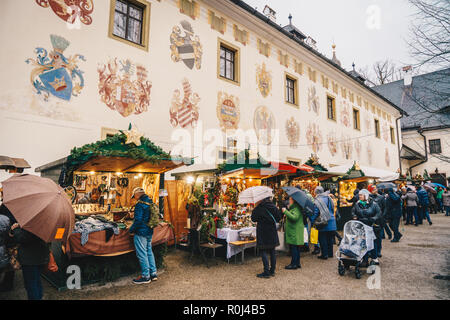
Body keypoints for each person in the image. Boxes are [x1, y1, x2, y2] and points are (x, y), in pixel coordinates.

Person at [9, 222, 49, 300]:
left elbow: (22, 238)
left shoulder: (33, 223)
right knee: (36, 280)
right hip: (41, 256)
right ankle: (39, 297)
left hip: (30, 259)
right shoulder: (45, 222)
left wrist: (16, 229)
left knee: (31, 284)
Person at [129, 187, 158, 284]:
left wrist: (131, 230)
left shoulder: (140, 204)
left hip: (141, 232)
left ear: (137, 195)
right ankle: (153, 273)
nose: (135, 198)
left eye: (135, 197)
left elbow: (138, 220)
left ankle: (146, 276)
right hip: (149, 231)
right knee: (149, 251)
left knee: (142, 254)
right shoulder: (150, 202)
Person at [251, 196, 282, 278]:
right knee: (272, 251)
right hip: (272, 230)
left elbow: (253, 219)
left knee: (263, 250)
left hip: (262, 231)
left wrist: (255, 207)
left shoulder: (259, 208)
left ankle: (266, 272)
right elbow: (279, 218)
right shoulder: (273, 206)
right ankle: (272, 271)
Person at [352, 189, 382, 265]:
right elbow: (353, 211)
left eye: (361, 195)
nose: (359, 197)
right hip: (361, 225)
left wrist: (374, 218)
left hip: (370, 225)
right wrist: (354, 216)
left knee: (372, 242)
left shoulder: (374, 204)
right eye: (359, 195)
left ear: (366, 195)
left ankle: (374, 258)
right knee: (363, 242)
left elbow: (379, 213)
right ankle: (365, 259)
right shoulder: (357, 204)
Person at [310, 186, 337, 260]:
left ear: (316, 192)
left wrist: (312, 220)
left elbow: (316, 212)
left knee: (322, 239)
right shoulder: (329, 198)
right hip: (332, 220)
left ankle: (324, 254)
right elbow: (332, 208)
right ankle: (330, 253)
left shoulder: (318, 200)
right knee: (330, 238)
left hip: (323, 221)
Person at [281, 197, 304, 270]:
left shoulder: (296, 208)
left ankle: (293, 264)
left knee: (294, 247)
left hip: (294, 231)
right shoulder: (295, 208)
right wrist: (287, 214)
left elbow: (294, 218)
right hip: (295, 231)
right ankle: (297, 263)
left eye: (290, 199)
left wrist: (285, 212)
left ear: (293, 200)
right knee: (296, 247)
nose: (289, 201)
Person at [368, 185, 386, 258]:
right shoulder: (368, 198)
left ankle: (378, 251)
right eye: (374, 189)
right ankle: (371, 251)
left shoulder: (381, 197)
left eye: (376, 189)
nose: (376, 190)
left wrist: (383, 217)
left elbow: (385, 208)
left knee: (379, 237)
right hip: (370, 220)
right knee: (370, 237)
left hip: (379, 220)